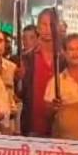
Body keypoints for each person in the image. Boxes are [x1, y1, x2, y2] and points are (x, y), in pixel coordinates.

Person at [20, 8, 59, 137]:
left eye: (51, 24)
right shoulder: (27, 58)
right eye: (44, 24)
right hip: (32, 127)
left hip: (58, 129)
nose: (48, 29)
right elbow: (20, 94)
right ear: (38, 27)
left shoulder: (63, 59)